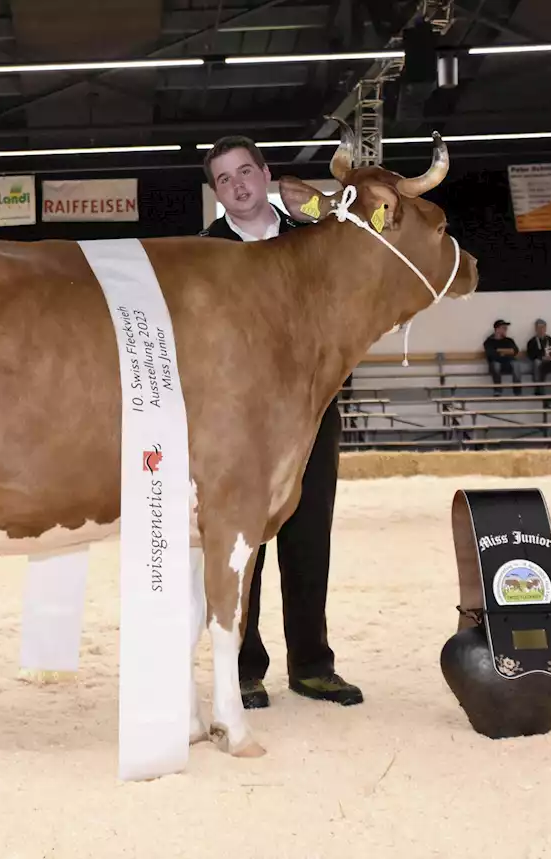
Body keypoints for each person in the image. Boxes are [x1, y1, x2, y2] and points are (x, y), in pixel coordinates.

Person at [199, 134, 363, 710]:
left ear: (266, 173)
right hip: (239, 424)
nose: (239, 185)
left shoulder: (314, 236)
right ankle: (245, 667)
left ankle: (313, 664)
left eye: (246, 171)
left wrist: (324, 207)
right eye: (224, 179)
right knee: (246, 543)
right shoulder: (207, 253)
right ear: (216, 193)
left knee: (308, 537)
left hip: (313, 411)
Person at [483, 319, 521, 396]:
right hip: (496, 364)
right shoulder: (489, 342)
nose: (506, 330)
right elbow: (491, 354)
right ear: (497, 329)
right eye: (504, 328)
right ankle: (498, 390)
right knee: (496, 365)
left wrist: (500, 351)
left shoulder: (509, 340)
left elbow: (515, 351)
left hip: (508, 363)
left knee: (516, 364)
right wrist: (507, 352)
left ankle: (517, 391)